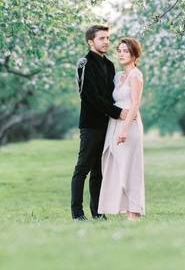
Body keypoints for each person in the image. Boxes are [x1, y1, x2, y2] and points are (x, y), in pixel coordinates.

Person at [70, 24, 129, 221]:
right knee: (83, 168)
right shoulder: (84, 63)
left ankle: (98, 212)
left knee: (100, 171)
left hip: (108, 125)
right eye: (102, 38)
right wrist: (118, 112)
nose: (106, 42)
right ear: (91, 41)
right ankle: (77, 213)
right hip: (90, 124)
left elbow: (111, 95)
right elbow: (89, 96)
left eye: (107, 38)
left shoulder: (110, 65)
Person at [98, 37, 145, 220]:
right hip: (114, 124)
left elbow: (135, 104)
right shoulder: (118, 76)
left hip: (129, 125)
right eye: (119, 50)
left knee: (131, 167)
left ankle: (134, 213)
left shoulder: (136, 75)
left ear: (134, 54)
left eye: (126, 51)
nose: (122, 54)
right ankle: (123, 208)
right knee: (115, 165)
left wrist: (124, 129)